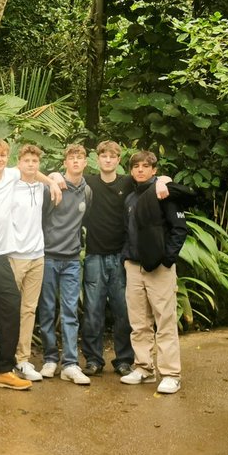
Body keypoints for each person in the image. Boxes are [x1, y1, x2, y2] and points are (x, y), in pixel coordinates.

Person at [119, 150, 191, 395]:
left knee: (165, 321)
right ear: (131, 171)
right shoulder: (129, 198)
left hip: (159, 268)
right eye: (136, 166)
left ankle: (171, 374)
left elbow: (180, 229)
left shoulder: (165, 194)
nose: (140, 169)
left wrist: (167, 259)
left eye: (145, 166)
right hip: (133, 266)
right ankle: (143, 368)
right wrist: (126, 259)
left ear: (154, 170)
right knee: (139, 322)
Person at [37, 144, 93, 385]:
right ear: (65, 162)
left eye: (80, 158)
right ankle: (50, 358)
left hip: (71, 259)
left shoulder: (87, 191)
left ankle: (70, 363)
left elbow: (84, 218)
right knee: (47, 309)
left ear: (86, 162)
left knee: (70, 311)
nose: (76, 162)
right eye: (72, 158)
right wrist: (52, 177)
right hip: (49, 256)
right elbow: (41, 217)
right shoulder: (54, 186)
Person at [80, 141, 135, 377]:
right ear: (98, 159)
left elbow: (151, 182)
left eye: (113, 157)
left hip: (120, 257)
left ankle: (124, 359)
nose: (108, 160)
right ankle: (93, 359)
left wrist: (163, 181)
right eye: (104, 156)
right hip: (94, 255)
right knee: (93, 311)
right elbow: (64, 180)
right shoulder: (88, 182)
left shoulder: (128, 182)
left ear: (118, 160)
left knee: (123, 310)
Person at [8, 144, 47, 382]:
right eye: (27, 160)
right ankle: (6, 359)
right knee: (10, 310)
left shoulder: (42, 186)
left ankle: (22, 359)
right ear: (19, 162)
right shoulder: (10, 184)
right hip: (15, 254)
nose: (31, 165)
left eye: (35, 161)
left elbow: (44, 177)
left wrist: (52, 182)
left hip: (37, 255)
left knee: (29, 309)